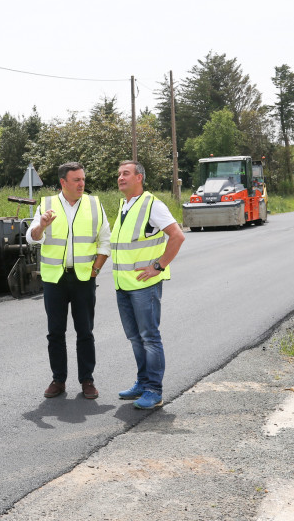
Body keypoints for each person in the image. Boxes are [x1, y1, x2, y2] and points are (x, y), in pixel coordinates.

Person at [27, 162, 110, 399]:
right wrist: (41, 226)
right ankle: (58, 380)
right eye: (76, 180)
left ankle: (87, 381)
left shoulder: (94, 204)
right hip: (55, 279)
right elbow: (32, 238)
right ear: (63, 182)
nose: (82, 184)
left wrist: (95, 270)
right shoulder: (47, 204)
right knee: (55, 333)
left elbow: (105, 240)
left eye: (83, 179)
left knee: (85, 332)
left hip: (84, 278)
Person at [110, 160, 185, 410]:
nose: (121, 178)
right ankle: (142, 383)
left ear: (139, 177)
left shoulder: (153, 205)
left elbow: (177, 235)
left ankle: (154, 390)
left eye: (126, 173)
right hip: (124, 285)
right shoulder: (124, 205)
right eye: (119, 174)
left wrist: (159, 265)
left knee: (149, 337)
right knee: (135, 337)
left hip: (144, 285)